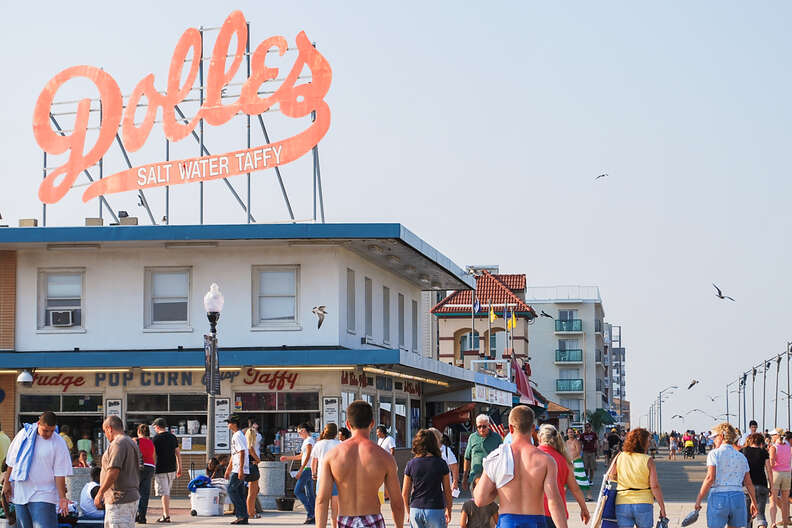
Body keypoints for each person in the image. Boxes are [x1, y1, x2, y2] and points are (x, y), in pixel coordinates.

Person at [474, 405, 568, 528]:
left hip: (507, 522)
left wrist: (499, 490)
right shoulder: (546, 460)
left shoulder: (497, 457)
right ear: (533, 428)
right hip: (536, 523)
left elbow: (480, 499)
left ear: (511, 428)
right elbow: (554, 502)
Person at [316, 400, 405, 528]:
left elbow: (322, 500)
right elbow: (396, 502)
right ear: (372, 424)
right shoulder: (385, 457)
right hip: (373, 518)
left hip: (345, 518)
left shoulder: (332, 456)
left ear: (347, 424)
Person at [3, 411, 73, 528]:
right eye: (45, 430)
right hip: (21, 493)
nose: (49, 434)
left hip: (44, 494)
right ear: (38, 423)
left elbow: (59, 473)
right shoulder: (24, 434)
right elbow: (12, 461)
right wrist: (7, 483)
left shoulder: (58, 442)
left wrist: (62, 498)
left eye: (52, 430)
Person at [695, 422, 759, 528]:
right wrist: (754, 502)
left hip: (719, 496)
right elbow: (748, 483)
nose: (714, 440)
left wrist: (699, 499)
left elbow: (710, 478)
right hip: (738, 496)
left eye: (715, 437)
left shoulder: (714, 454)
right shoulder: (741, 457)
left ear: (722, 436)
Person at [608, 428, 666, 528]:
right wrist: (662, 507)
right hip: (643, 503)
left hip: (622, 502)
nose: (649, 443)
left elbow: (612, 476)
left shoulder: (620, 456)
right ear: (641, 442)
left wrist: (626, 477)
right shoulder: (648, 460)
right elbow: (655, 486)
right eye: (647, 441)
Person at [537, 424, 590, 528]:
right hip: (558, 514)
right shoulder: (563, 460)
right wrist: (584, 509)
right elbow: (575, 489)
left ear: (539, 438)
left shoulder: (531, 456)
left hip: (534, 514)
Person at [95, 415, 140, 528]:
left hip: (119, 499)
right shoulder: (130, 442)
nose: (106, 435)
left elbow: (113, 471)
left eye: (105, 431)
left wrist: (100, 493)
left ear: (109, 428)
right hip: (130, 496)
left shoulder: (118, 444)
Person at [401, 429, 452, 528]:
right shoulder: (441, 463)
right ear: (434, 443)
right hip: (435, 508)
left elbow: (404, 493)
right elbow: (447, 491)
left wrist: (408, 512)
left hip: (415, 509)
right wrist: (448, 510)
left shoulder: (411, 464)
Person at [280, 422, 316, 524]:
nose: (299, 434)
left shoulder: (309, 440)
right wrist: (288, 457)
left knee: (297, 491)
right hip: (307, 469)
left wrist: (300, 470)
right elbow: (301, 456)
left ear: (303, 430)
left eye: (299, 432)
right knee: (310, 494)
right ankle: (313, 515)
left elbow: (308, 456)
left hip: (306, 469)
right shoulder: (307, 441)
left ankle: (311, 512)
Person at [151, 417, 182, 523]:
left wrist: (152, 467)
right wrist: (179, 467)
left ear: (158, 426)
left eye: (154, 426)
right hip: (172, 469)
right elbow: (177, 452)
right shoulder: (173, 437)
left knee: (164, 493)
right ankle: (165, 514)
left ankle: (166, 515)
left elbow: (153, 455)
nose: (154, 428)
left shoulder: (155, 439)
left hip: (161, 469)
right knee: (166, 492)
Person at [311, 423, 341, 528]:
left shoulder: (318, 444)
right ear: (336, 433)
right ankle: (334, 526)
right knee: (335, 506)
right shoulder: (339, 444)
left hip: (322, 477)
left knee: (321, 505)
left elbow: (314, 461)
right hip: (336, 477)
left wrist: (313, 473)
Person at [464, 415, 502, 490]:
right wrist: (464, 478)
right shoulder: (472, 437)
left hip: (491, 477)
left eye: (484, 426)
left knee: (490, 501)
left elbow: (502, 458)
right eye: (479, 426)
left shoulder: (497, 438)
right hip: (475, 477)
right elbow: (467, 458)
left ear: (488, 425)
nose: (481, 429)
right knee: (477, 501)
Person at [224, 415, 250, 525]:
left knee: (231, 490)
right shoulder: (237, 435)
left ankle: (241, 515)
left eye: (229, 422)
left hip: (239, 469)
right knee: (239, 493)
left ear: (234, 424)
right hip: (236, 468)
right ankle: (243, 516)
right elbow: (234, 455)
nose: (228, 425)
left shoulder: (238, 436)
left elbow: (242, 452)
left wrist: (240, 470)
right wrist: (228, 469)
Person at [742, 433, 771, 528]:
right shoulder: (764, 452)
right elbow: (769, 470)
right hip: (762, 485)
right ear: (761, 442)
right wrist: (771, 486)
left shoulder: (743, 451)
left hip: (746, 486)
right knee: (760, 514)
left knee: (746, 516)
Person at [135, 423, 156, 524]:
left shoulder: (136, 441)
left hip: (139, 467)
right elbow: (153, 455)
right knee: (145, 493)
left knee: (134, 492)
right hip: (150, 467)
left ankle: (135, 514)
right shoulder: (151, 443)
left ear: (139, 432)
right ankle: (142, 517)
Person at [769, 428, 790, 528]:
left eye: (773, 435)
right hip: (787, 473)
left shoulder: (774, 447)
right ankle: (785, 524)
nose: (771, 437)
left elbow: (772, 462)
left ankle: (773, 522)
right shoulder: (788, 446)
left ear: (777, 435)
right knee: (785, 501)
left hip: (776, 473)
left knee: (773, 499)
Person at [567, 429, 590, 500]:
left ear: (574, 433)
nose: (570, 433)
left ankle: (589, 495)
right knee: (568, 479)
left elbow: (578, 452)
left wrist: (573, 460)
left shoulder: (576, 441)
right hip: (569, 462)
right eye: (569, 432)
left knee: (582, 478)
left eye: (571, 432)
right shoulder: (566, 442)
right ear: (567, 434)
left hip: (577, 462)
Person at [245, 422, 262, 519]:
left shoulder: (247, 445)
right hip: (252, 468)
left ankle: (252, 511)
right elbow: (256, 457)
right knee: (252, 492)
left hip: (251, 468)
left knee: (254, 491)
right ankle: (250, 512)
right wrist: (258, 460)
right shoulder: (250, 446)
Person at [580, 423, 598, 489]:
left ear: (590, 427)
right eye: (586, 427)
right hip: (585, 452)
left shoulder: (594, 434)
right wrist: (580, 453)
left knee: (592, 467)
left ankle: (591, 480)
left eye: (588, 427)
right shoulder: (582, 435)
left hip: (592, 452)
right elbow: (580, 444)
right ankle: (586, 478)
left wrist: (597, 453)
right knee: (585, 467)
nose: (587, 428)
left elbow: (596, 443)